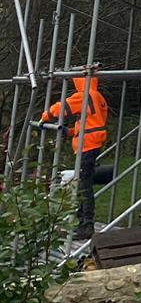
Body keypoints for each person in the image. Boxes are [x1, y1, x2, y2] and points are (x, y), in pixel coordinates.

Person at [39, 75, 108, 238]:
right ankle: (82, 223)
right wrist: (70, 132)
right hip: (93, 143)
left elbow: (62, 107)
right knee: (83, 184)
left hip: (87, 145)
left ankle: (86, 225)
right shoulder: (98, 96)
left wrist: (45, 117)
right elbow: (92, 121)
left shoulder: (85, 95)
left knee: (84, 186)